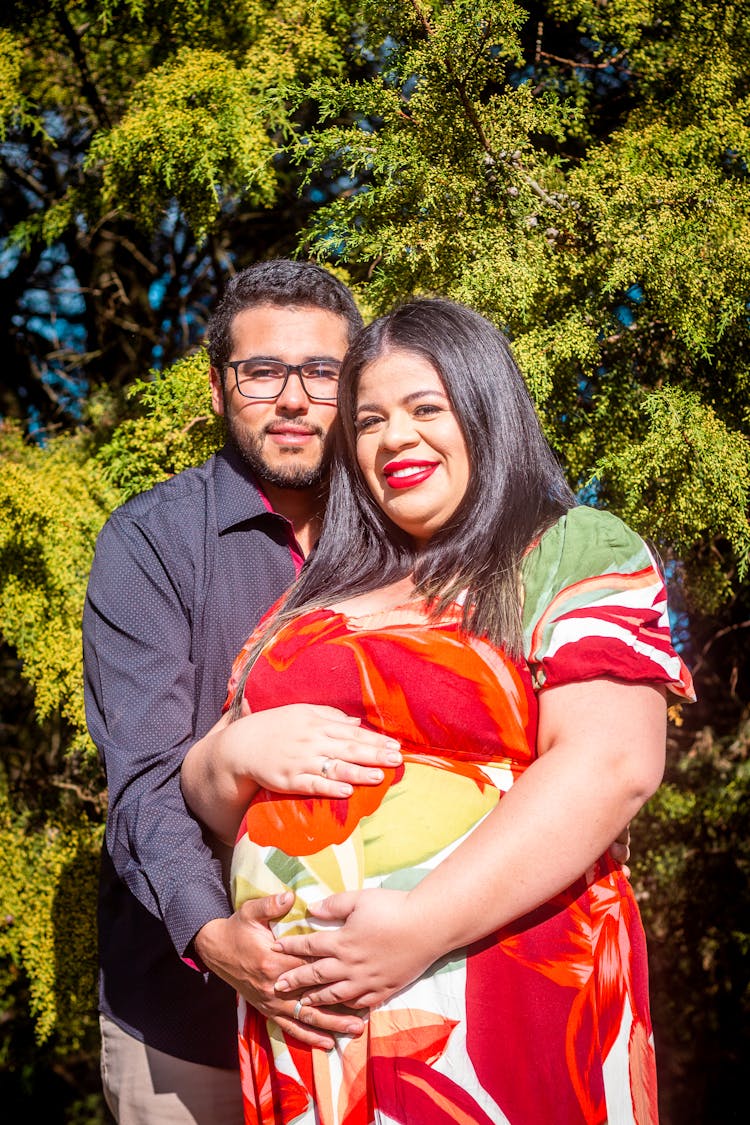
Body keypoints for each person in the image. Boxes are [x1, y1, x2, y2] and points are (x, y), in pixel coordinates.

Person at [181, 298, 694, 1124]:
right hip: (318, 1027)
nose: (395, 439)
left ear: (486, 411)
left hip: (500, 994)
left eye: (427, 408)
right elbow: (210, 794)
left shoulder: (571, 546)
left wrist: (417, 927)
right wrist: (228, 758)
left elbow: (612, 765)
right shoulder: (319, 593)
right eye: (371, 419)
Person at [83, 260, 405, 1124]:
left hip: (389, 1009)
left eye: (323, 373)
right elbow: (145, 781)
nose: (293, 398)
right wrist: (212, 935)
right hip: (186, 1028)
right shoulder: (149, 542)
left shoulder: (412, 536)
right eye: (263, 371)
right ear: (221, 388)